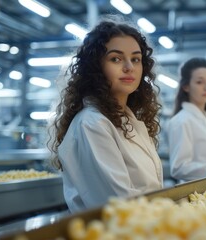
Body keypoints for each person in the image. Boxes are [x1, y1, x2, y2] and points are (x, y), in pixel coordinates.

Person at [47, 17, 163, 213]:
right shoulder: (92, 124)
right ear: (96, 68)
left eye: (135, 59)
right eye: (116, 59)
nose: (129, 67)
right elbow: (120, 206)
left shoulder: (129, 120)